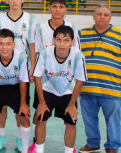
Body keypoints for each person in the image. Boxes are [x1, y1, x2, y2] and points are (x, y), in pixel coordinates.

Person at [78, 5, 121, 153]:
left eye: (106, 15)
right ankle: (93, 143)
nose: (102, 17)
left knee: (113, 119)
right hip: (87, 87)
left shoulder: (120, 36)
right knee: (89, 118)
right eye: (99, 14)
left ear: (110, 17)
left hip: (111, 88)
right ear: (93, 16)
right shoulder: (82, 34)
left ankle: (112, 146)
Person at [30, 0, 80, 152]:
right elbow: (34, 48)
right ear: (50, 8)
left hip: (66, 81)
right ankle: (35, 142)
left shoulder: (73, 28)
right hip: (45, 79)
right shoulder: (40, 27)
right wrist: (33, 67)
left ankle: (68, 148)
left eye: (61, 7)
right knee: (39, 114)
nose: (57, 9)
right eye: (54, 6)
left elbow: (76, 52)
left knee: (69, 120)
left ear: (65, 9)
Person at [0, 0, 37, 152]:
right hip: (1, 70)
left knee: (21, 108)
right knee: (0, 107)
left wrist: (33, 67)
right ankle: (1, 135)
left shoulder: (31, 20)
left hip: (21, 71)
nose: (14, 1)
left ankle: (20, 138)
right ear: (6, 0)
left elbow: (32, 46)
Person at [33, 25, 87, 153]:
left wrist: (72, 104)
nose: (62, 44)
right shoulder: (45, 53)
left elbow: (80, 81)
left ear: (73, 42)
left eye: (66, 40)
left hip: (68, 93)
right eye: (59, 39)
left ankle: (68, 151)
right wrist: (41, 103)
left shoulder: (78, 56)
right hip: (48, 91)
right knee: (40, 119)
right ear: (53, 40)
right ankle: (39, 150)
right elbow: (37, 77)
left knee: (71, 122)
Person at [0, 29, 30, 153]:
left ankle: (24, 146)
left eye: (8, 44)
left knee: (24, 116)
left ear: (14, 45)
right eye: (1, 43)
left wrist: (23, 103)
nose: (4, 47)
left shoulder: (21, 57)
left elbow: (23, 81)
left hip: (16, 87)